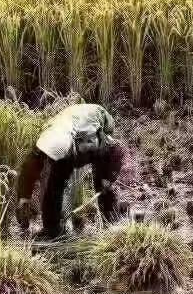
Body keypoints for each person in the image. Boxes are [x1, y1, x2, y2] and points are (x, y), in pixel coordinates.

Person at [15, 103, 127, 240]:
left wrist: (108, 178)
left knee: (103, 185)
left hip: (91, 129)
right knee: (55, 185)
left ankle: (111, 225)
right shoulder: (46, 143)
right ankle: (52, 230)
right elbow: (29, 169)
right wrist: (24, 197)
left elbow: (117, 149)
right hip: (65, 135)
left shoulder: (97, 139)